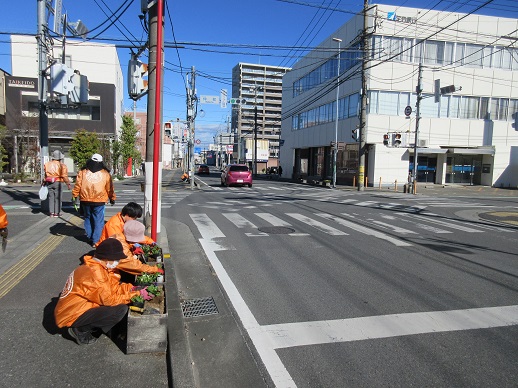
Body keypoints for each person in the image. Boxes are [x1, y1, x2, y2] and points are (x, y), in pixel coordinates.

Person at [54, 238, 153, 345]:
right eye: (116, 259)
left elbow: (112, 289)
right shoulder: (94, 273)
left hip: (79, 307)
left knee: (118, 305)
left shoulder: (97, 267)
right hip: (72, 315)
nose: (117, 262)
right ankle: (78, 329)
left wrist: (130, 289)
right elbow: (110, 300)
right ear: (106, 258)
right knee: (119, 310)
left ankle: (91, 324)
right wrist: (137, 294)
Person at [72, 154, 116, 247]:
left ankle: (90, 236)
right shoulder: (105, 173)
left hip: (85, 199)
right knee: (98, 220)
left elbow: (78, 185)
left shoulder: (83, 172)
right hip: (99, 200)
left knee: (88, 218)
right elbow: (109, 188)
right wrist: (112, 198)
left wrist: (74, 195)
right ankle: (96, 240)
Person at [43, 150, 71, 217]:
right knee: (57, 198)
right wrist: (68, 184)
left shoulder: (47, 164)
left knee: (51, 197)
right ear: (60, 158)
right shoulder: (62, 166)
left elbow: (45, 175)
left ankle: (51, 213)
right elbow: (64, 176)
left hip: (49, 181)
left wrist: (44, 181)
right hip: (58, 181)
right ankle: (57, 213)